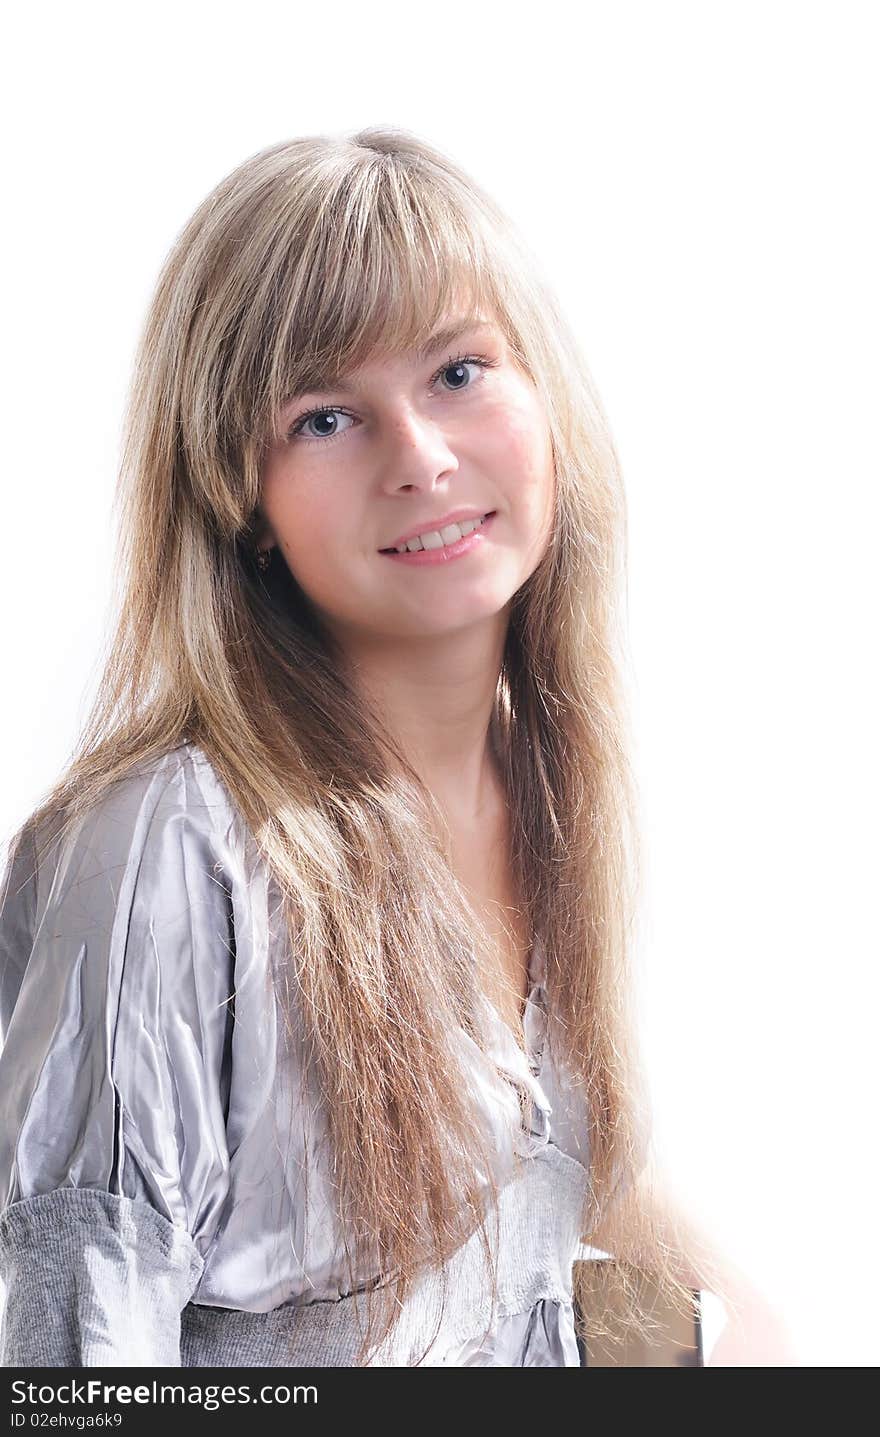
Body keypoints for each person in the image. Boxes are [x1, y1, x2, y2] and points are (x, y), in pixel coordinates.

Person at [0, 126, 762, 1368]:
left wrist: (761, 1339)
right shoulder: (167, 852)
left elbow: (548, 1225)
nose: (419, 457)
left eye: (459, 372)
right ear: (238, 501)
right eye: (323, 418)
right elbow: (79, 1375)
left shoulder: (558, 790)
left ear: (544, 398)